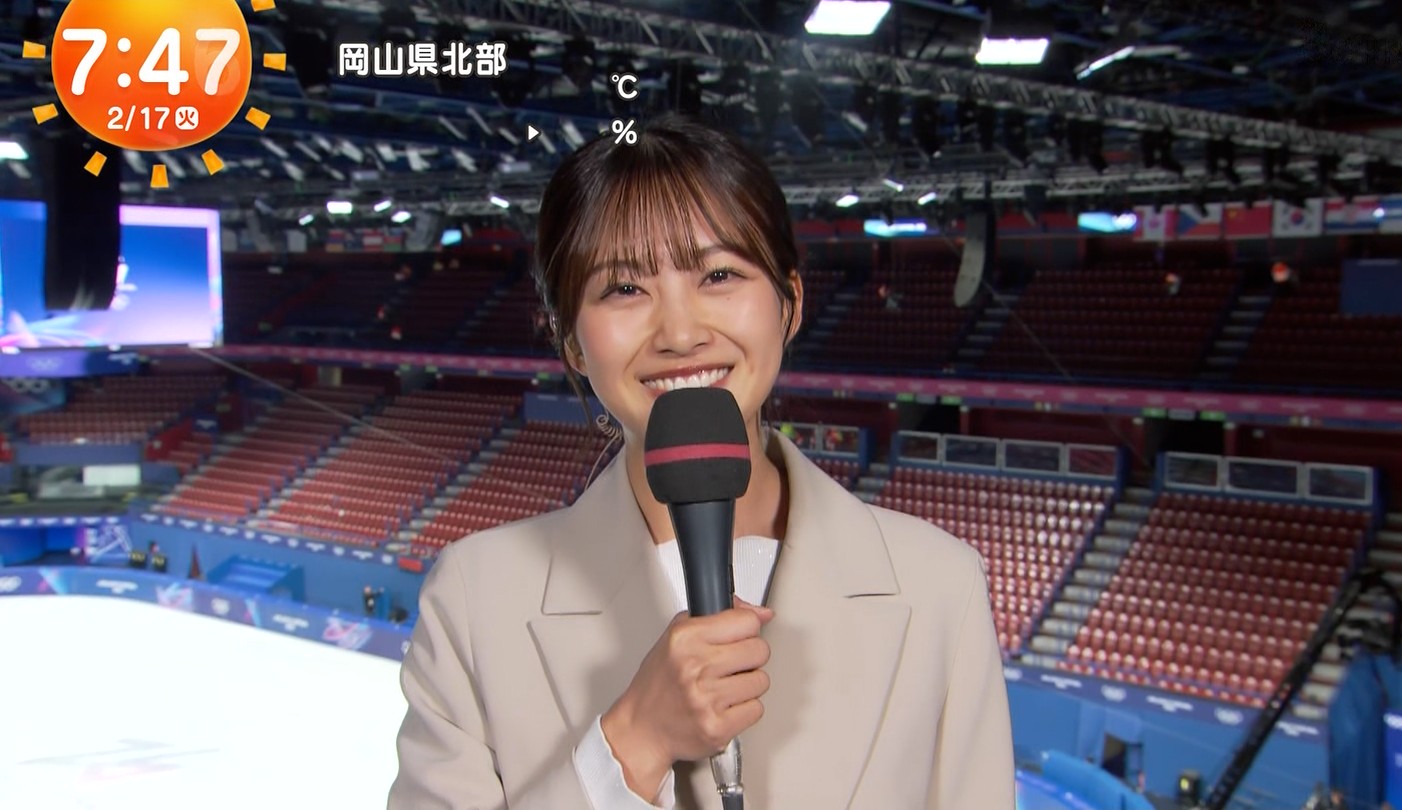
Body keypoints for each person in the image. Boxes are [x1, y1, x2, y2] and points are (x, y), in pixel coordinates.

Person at [388, 114, 1014, 809]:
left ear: (790, 303)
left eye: (719, 274)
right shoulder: (473, 600)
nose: (681, 333)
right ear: (571, 342)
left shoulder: (941, 586)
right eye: (624, 289)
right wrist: (632, 744)